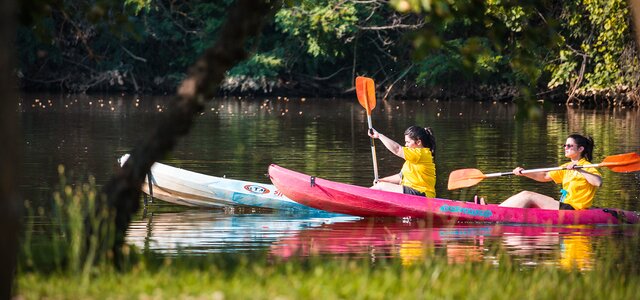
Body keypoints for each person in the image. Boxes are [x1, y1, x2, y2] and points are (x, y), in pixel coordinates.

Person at [498, 133, 602, 210]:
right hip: (565, 205)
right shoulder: (566, 167)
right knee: (526, 197)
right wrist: (524, 173)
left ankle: (495, 211)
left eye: (569, 146)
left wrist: (580, 169)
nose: (565, 148)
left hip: (574, 208)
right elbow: (545, 176)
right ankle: (498, 209)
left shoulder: (587, 166)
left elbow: (598, 182)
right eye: (565, 145)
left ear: (580, 149)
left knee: (527, 195)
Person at [368, 126, 436, 198]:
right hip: (415, 194)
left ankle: (360, 198)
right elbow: (400, 177)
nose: (406, 145)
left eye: (408, 142)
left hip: (421, 194)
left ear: (418, 142)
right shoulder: (413, 159)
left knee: (381, 187)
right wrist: (382, 180)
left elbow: (397, 149)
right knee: (381, 185)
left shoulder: (420, 154)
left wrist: (379, 135)